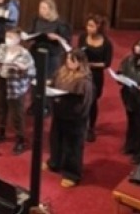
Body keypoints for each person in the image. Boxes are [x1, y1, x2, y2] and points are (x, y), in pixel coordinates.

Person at [48, 50, 94, 187]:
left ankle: (72, 174)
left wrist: (77, 114)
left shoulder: (84, 81)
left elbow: (85, 103)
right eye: (68, 59)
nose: (68, 62)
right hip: (59, 114)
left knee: (72, 147)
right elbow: (53, 85)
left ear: (80, 63)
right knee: (56, 140)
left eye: (72, 60)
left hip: (74, 119)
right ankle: (55, 163)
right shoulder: (61, 72)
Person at [0, 28, 35, 155]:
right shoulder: (1, 47)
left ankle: (20, 138)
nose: (8, 39)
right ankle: (1, 131)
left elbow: (32, 72)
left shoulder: (24, 53)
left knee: (17, 113)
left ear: (18, 39)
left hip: (16, 85)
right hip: (1, 80)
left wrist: (22, 68)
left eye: (11, 37)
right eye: (7, 36)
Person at [28, 0, 71, 116]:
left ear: (51, 10)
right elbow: (30, 32)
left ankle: (46, 105)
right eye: (40, 8)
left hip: (51, 54)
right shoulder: (36, 19)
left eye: (44, 8)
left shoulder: (60, 23)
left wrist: (56, 37)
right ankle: (35, 103)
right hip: (36, 52)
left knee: (48, 80)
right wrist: (30, 37)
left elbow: (66, 41)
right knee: (34, 79)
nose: (41, 10)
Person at [78, 14, 114, 142]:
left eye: (92, 26)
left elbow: (107, 63)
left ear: (99, 27)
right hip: (82, 74)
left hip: (96, 75)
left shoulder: (106, 43)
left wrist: (91, 64)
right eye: (88, 25)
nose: (88, 28)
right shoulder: (83, 37)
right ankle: (81, 124)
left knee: (92, 102)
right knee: (80, 100)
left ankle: (91, 128)